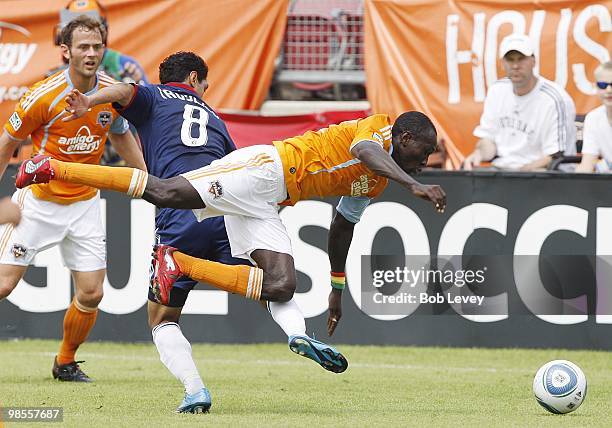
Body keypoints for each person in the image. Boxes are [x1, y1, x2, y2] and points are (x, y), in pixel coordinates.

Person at [36, 51, 352, 414]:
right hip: (228, 212)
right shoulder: (215, 119)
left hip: (180, 212)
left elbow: (124, 90)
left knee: (161, 318)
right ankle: (297, 333)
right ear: (191, 80)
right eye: (204, 83)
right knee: (270, 286)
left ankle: (195, 390)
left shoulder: (153, 96)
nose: (206, 90)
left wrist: (88, 101)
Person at [16, 109, 446, 336]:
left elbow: (342, 228)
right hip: (265, 168)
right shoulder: (376, 132)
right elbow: (365, 152)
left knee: (282, 286)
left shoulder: (375, 184)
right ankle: (51, 167)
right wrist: (413, 186)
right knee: (166, 192)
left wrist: (336, 290)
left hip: (271, 201)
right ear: (403, 139)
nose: (424, 164)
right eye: (422, 154)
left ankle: (179, 264)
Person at [0, 16, 146, 383]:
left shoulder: (110, 94)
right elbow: (7, 144)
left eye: (97, 47)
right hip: (38, 203)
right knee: (3, 286)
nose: (92, 53)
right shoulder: (43, 95)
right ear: (66, 51)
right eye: (83, 47)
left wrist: (146, 177)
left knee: (92, 293)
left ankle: (65, 361)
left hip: (84, 206)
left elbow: (120, 133)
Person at [48, 0, 148, 166]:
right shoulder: (54, 74)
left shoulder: (123, 66)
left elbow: (145, 111)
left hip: (117, 160)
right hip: (70, 160)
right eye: (73, 26)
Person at [463, 33, 576, 171]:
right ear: (502, 63)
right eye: (510, 60)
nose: (515, 65)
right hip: (505, 173)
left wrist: (519, 174)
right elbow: (489, 140)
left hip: (546, 175)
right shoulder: (496, 90)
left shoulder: (555, 99)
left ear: (533, 61)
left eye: (521, 59)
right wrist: (478, 154)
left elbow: (556, 156)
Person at [575, 61, 612, 173]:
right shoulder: (593, 118)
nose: (608, 90)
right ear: (596, 86)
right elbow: (587, 163)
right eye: (603, 85)